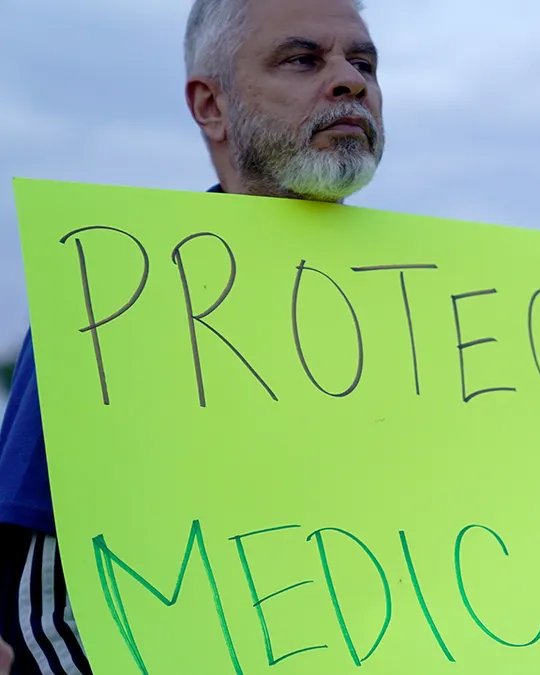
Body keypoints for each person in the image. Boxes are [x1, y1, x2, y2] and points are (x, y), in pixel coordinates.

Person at [0, 0, 386, 671]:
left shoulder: (444, 315)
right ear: (211, 105)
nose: (349, 80)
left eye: (364, 62)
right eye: (302, 58)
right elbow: (38, 610)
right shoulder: (108, 307)